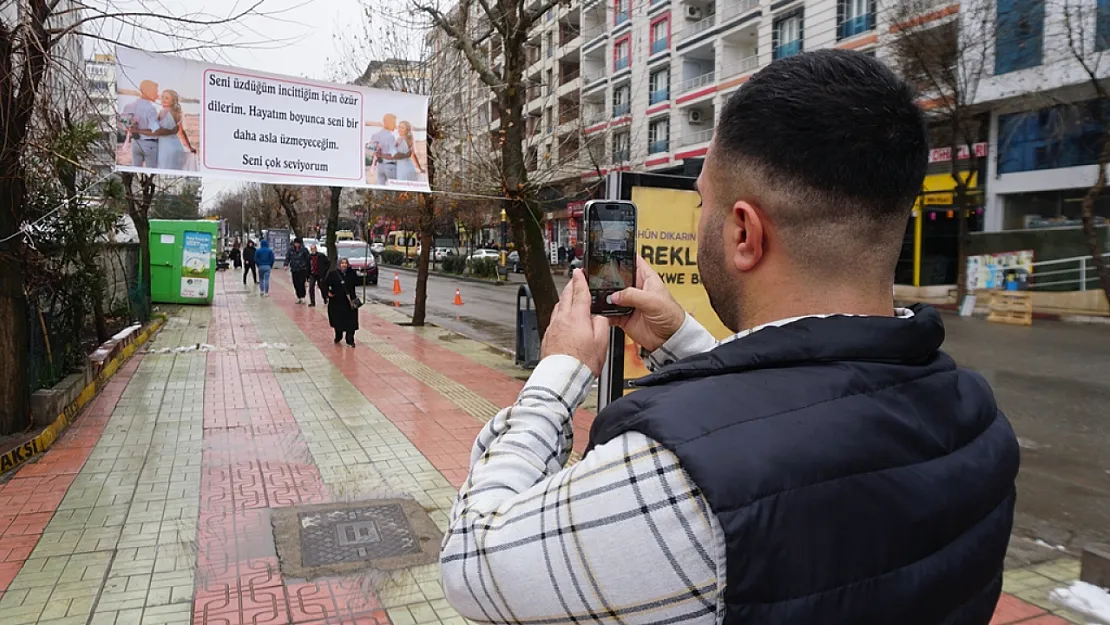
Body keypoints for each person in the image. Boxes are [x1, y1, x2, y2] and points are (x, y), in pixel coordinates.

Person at [438, 50, 1020, 625]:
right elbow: (810, 407)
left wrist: (558, 372)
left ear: (744, 231)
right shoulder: (978, 420)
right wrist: (682, 342)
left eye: (702, 203)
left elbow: (472, 563)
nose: (698, 221)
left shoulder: (677, 478)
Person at [123, 80, 160, 168]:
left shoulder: (128, 106)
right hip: (149, 144)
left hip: (135, 143)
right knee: (152, 171)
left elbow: (125, 126)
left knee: (136, 170)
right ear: (146, 91)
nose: (157, 94)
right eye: (155, 91)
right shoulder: (150, 109)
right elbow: (154, 131)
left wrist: (133, 130)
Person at [325, 258, 359, 347]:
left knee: (351, 322)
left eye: (345, 263)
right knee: (338, 321)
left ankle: (350, 340)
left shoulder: (351, 273)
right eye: (342, 263)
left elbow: (357, 282)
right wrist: (328, 292)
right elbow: (325, 284)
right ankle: (338, 336)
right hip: (337, 302)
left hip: (349, 301)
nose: (344, 265)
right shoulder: (333, 274)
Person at [372, 114, 399, 185]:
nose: (395, 125)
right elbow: (393, 156)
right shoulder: (391, 137)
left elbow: (372, 151)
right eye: (393, 123)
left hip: (379, 167)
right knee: (394, 190)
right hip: (390, 167)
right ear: (387, 123)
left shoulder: (375, 135)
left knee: (380, 190)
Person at [288, 237, 311, 304]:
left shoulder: (304, 250)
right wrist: (286, 264)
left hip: (302, 269)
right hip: (294, 269)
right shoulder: (291, 250)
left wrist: (307, 267)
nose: (296, 244)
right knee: (296, 283)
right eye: (295, 243)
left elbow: (308, 259)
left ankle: (303, 296)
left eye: (298, 243)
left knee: (301, 283)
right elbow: (288, 257)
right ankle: (298, 297)